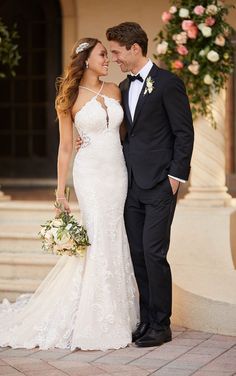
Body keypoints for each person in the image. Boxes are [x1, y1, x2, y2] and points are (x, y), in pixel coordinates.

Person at [0, 38, 139, 351]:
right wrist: (60, 189)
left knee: (115, 235)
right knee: (98, 236)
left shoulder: (117, 90)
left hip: (117, 173)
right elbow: (65, 146)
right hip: (89, 174)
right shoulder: (70, 98)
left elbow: (126, 136)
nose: (108, 60)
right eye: (103, 55)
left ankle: (120, 312)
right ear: (87, 59)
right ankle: (95, 318)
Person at [77, 22, 194, 348]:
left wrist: (175, 178)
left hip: (159, 184)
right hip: (128, 184)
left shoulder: (168, 83)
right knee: (138, 253)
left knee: (155, 253)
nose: (114, 58)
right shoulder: (124, 88)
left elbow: (184, 133)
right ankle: (146, 321)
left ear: (134, 48)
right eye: (110, 53)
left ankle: (162, 324)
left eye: (116, 52)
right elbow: (120, 131)